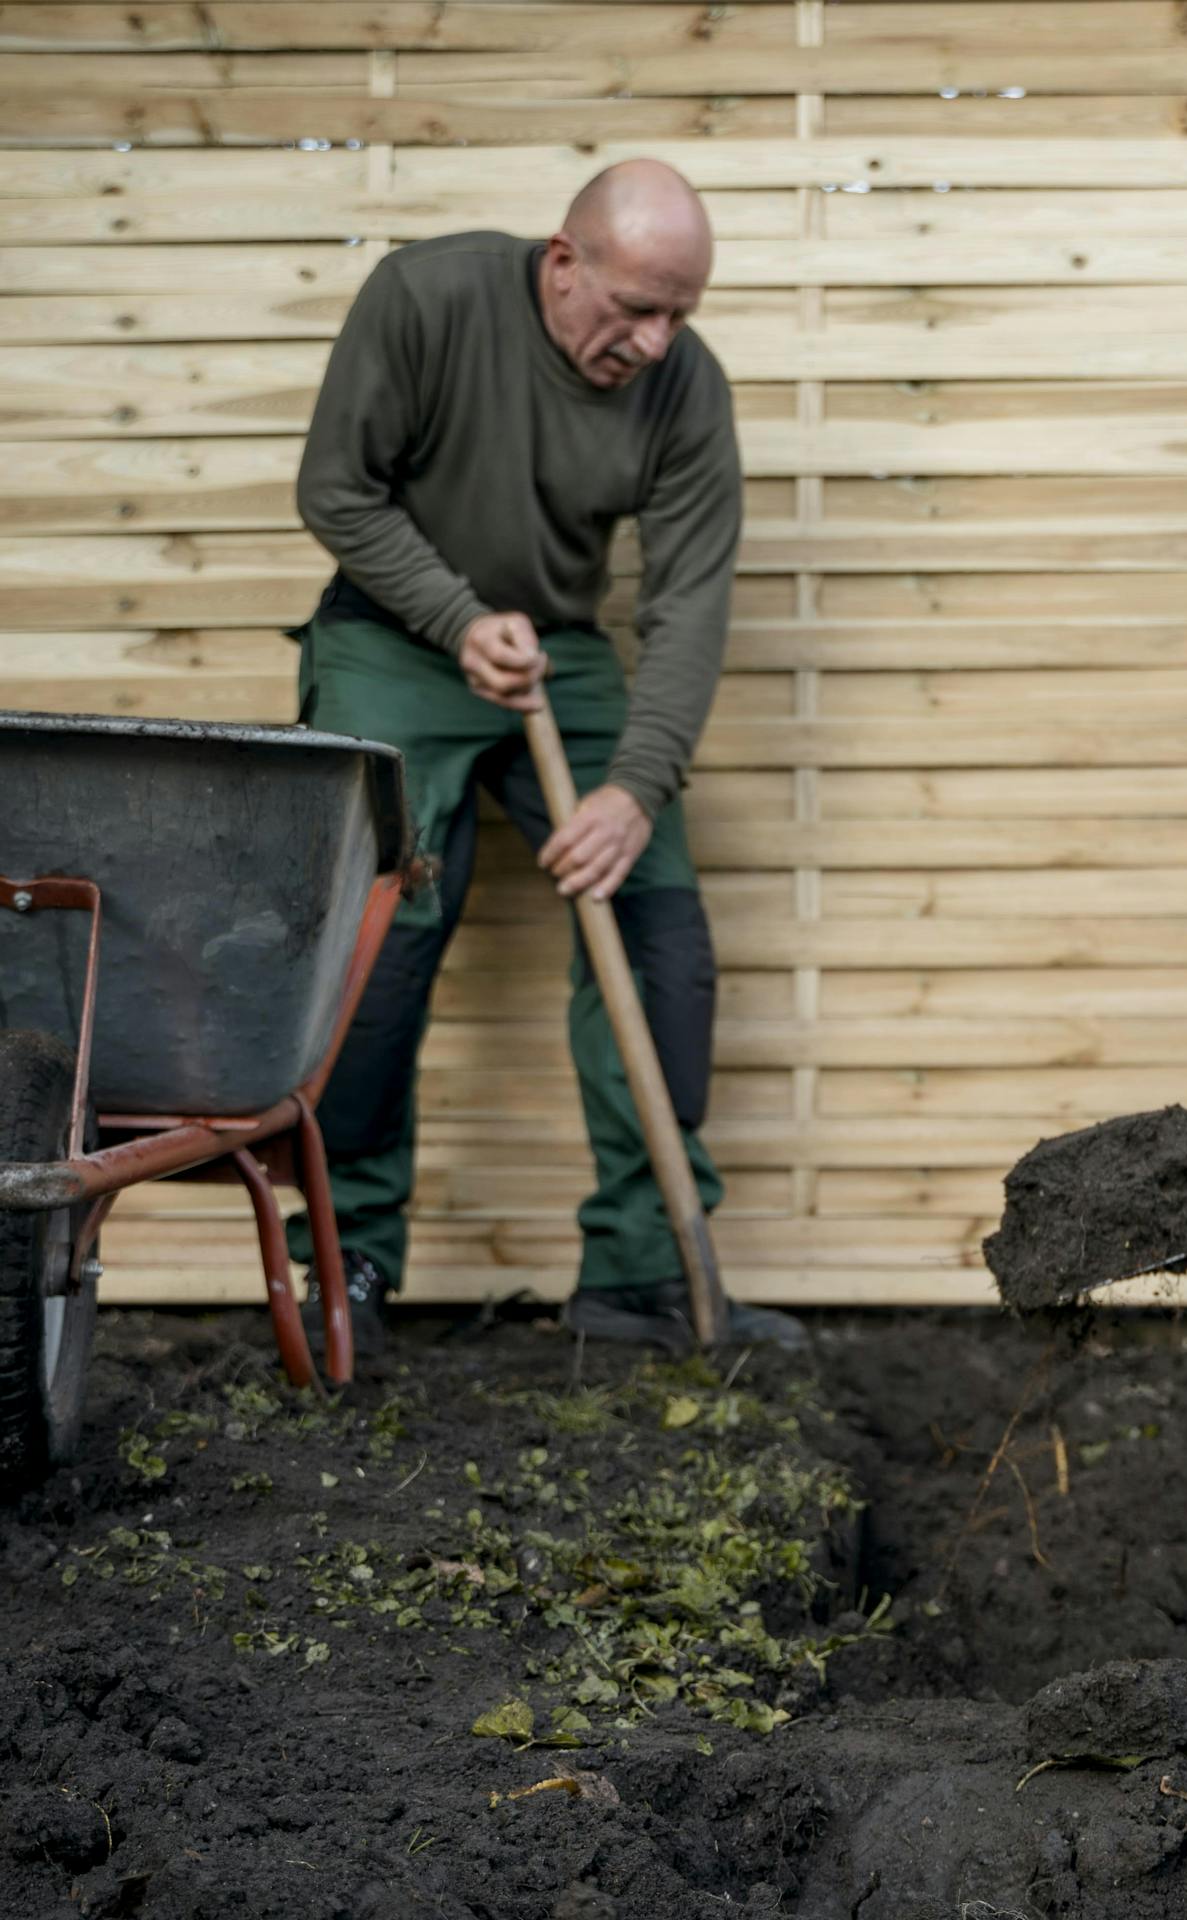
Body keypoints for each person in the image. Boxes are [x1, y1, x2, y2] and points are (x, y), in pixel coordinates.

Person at [290, 159, 801, 1357]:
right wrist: (455, 619)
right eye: (635, 308)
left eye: (681, 313)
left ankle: (641, 1275)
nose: (657, 341)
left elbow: (686, 607)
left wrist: (634, 787)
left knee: (658, 934)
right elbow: (336, 489)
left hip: (558, 650)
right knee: (381, 939)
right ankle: (346, 1263)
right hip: (394, 633)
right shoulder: (426, 301)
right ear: (563, 262)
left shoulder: (685, 392)